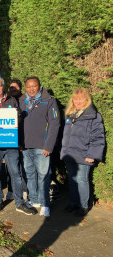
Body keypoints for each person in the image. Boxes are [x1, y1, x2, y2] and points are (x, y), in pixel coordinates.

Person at [0, 77, 35, 215]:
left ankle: (19, 203)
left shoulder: (12, 101)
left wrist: (19, 116)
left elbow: (17, 123)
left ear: (3, 86)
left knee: (16, 175)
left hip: (11, 146)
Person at [19, 76, 60, 217]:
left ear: (39, 86)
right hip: (25, 147)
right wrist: (19, 143)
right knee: (30, 175)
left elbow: (55, 124)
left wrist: (48, 145)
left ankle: (45, 204)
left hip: (42, 147)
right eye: (28, 86)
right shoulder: (20, 101)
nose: (31, 89)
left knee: (43, 176)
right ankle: (35, 200)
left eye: (34, 86)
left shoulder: (49, 101)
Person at [61, 88, 105, 217]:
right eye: (75, 99)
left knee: (81, 179)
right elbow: (64, 134)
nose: (78, 101)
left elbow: (98, 136)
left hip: (84, 153)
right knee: (72, 179)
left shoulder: (93, 115)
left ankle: (83, 206)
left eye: (81, 98)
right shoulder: (69, 114)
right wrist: (62, 149)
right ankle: (73, 203)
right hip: (70, 153)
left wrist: (93, 155)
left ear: (87, 99)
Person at [6, 79, 28, 200]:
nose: (13, 89)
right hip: (9, 138)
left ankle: (24, 190)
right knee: (10, 167)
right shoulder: (7, 100)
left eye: (15, 87)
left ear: (20, 88)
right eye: (11, 88)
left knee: (22, 167)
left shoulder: (25, 100)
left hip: (22, 137)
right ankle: (10, 189)